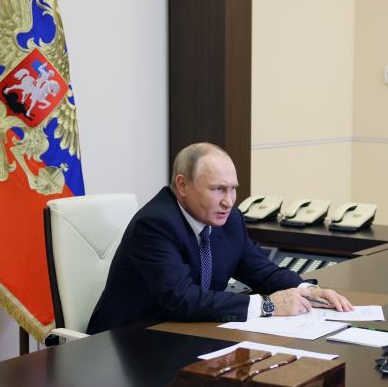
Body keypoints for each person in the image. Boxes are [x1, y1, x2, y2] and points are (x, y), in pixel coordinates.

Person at [87, 143, 352, 334]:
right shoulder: (155, 224)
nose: (228, 201)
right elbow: (183, 300)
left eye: (233, 189)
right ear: (182, 185)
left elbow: (262, 271)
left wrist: (309, 291)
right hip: (130, 345)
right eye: (217, 189)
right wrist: (269, 305)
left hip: (190, 335)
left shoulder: (229, 219)